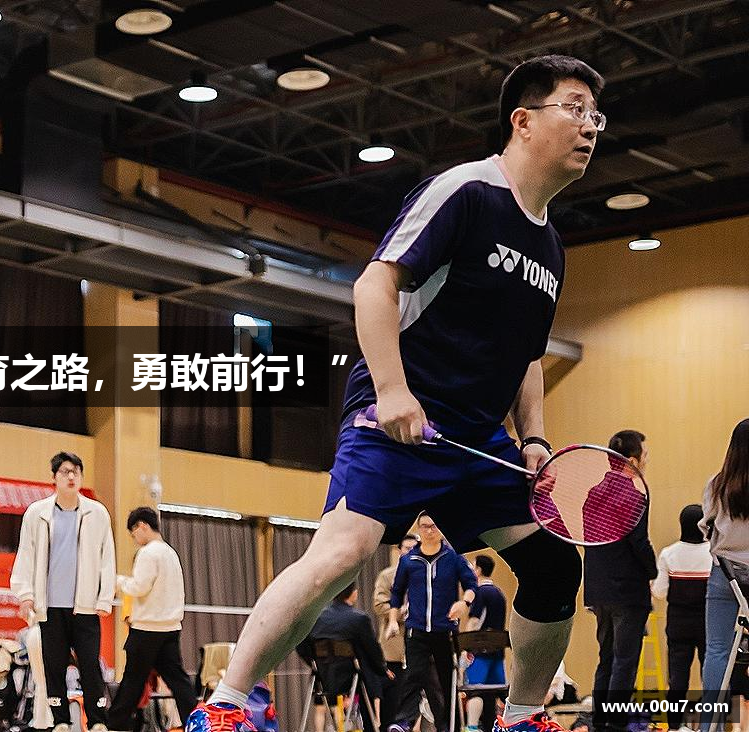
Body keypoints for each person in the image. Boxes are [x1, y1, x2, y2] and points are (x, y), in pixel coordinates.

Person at [186, 54, 604, 732]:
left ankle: (523, 717)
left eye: (596, 116)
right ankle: (225, 704)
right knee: (342, 553)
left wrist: (533, 437)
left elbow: (527, 355)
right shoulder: (466, 192)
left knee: (553, 565)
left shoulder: (551, 248)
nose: (590, 127)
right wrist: (392, 390)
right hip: (398, 418)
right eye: (575, 109)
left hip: (476, 440)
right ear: (523, 120)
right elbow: (373, 284)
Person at [10, 452, 115, 732]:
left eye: (76, 472)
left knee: (90, 665)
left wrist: (105, 597)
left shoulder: (97, 514)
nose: (71, 476)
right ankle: (61, 721)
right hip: (50, 607)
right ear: (54, 477)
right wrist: (25, 595)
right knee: (53, 666)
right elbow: (26, 555)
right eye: (65, 471)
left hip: (85, 607)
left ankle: (97, 721)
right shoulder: (36, 513)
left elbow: (107, 558)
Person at [585, 430, 656, 732]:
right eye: (644, 455)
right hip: (627, 589)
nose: (646, 460)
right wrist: (652, 571)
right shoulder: (635, 495)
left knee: (606, 658)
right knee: (625, 661)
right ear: (632, 461)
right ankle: (615, 725)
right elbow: (638, 542)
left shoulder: (593, 493)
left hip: (598, 589)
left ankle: (600, 723)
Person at [107, 507, 197, 732]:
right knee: (178, 680)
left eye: (133, 533)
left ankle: (114, 725)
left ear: (142, 526)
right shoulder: (171, 553)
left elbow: (139, 587)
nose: (135, 538)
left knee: (132, 681)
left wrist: (118, 581)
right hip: (170, 627)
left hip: (147, 629)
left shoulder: (148, 553)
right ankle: (196, 722)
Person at [386, 515, 477, 732]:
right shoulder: (409, 560)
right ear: (419, 528)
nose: (429, 531)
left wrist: (464, 603)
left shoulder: (453, 557)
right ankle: (404, 722)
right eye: (425, 527)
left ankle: (449, 725)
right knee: (414, 674)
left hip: (445, 630)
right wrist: (392, 621)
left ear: (441, 529)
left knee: (445, 680)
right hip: (416, 629)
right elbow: (397, 593)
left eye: (434, 526)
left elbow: (471, 585)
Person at [700, 418, 749, 730]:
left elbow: (707, 527)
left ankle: (710, 726)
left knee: (717, 651)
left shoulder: (717, 484)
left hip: (726, 576)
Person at [297, 583, 391, 732]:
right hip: (349, 678)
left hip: (322, 677)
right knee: (379, 680)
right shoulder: (359, 619)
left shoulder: (314, 618)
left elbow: (300, 645)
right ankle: (375, 725)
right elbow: (372, 650)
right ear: (353, 594)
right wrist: (383, 668)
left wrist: (314, 664)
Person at [653, 504, 710, 731]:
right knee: (710, 678)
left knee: (677, 681)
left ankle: (675, 727)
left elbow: (660, 592)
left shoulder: (669, 553)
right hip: (708, 623)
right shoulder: (714, 553)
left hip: (678, 624)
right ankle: (711, 725)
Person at [373, 535, 419, 732]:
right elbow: (379, 605)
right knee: (393, 698)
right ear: (399, 551)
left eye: (414, 548)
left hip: (420, 643)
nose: (411, 552)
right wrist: (401, 612)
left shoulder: (424, 575)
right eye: (407, 548)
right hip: (394, 646)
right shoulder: (387, 576)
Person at [463, 555, 508, 732]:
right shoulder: (500, 593)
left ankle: (471, 728)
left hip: (480, 651)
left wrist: (465, 645)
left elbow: (475, 621)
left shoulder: (480, 593)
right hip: (498, 651)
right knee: (494, 693)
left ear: (478, 570)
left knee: (475, 690)